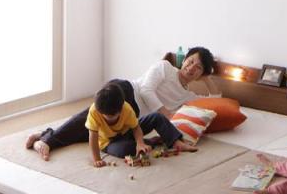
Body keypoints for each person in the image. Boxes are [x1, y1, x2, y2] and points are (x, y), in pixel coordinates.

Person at [25, 47, 219, 160]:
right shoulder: (165, 67)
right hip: (127, 92)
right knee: (90, 118)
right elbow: (146, 90)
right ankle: (47, 141)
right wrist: (165, 113)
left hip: (134, 117)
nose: (191, 68)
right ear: (184, 59)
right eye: (190, 61)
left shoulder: (188, 96)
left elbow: (217, 99)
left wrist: (208, 78)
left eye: (198, 67)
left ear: (201, 74)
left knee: (92, 130)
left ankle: (45, 134)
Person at [86, 82, 195, 168]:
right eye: (106, 116)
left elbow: (136, 127)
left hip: (128, 132)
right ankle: (152, 142)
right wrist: (97, 159)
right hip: (109, 142)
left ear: (120, 109)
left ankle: (175, 141)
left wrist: (140, 143)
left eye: (112, 116)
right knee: (125, 150)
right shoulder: (94, 111)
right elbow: (93, 136)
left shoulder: (126, 108)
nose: (109, 118)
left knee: (156, 117)